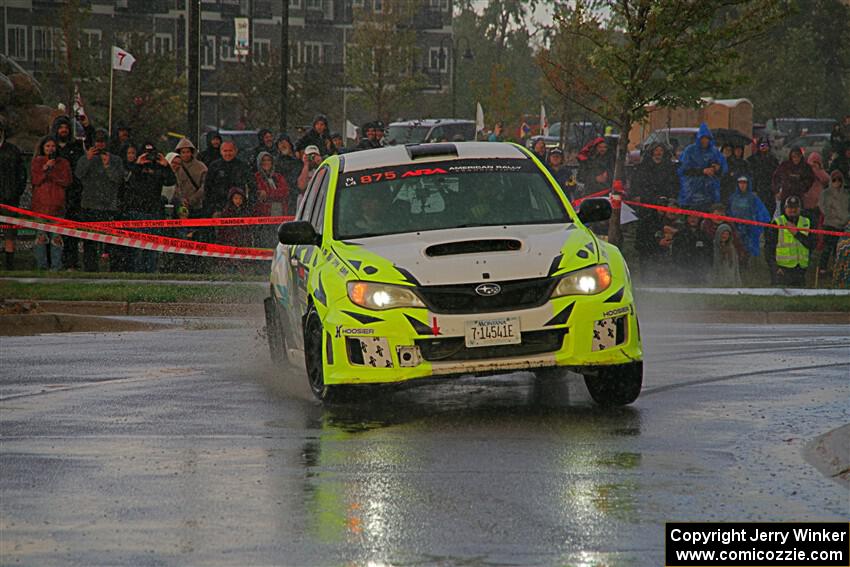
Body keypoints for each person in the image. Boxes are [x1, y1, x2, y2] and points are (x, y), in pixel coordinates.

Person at [75, 129, 124, 272]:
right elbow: (78, 175)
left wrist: (108, 166)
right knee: (89, 241)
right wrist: (87, 159)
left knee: (111, 241)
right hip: (90, 204)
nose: (100, 144)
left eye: (103, 141)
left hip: (109, 206)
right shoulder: (86, 157)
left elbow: (118, 180)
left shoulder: (116, 159)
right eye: (98, 141)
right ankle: (90, 268)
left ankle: (113, 268)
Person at [121, 142, 175, 272]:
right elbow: (130, 183)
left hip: (154, 211)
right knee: (137, 246)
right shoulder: (135, 167)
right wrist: (138, 165)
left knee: (152, 246)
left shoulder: (159, 168)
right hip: (137, 211)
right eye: (146, 153)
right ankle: (136, 272)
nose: (149, 157)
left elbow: (171, 181)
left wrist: (166, 166)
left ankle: (150, 272)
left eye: (151, 154)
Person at [30, 136, 72, 270]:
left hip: (57, 206)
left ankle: (56, 266)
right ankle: (41, 266)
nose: (50, 149)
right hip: (40, 206)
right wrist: (44, 168)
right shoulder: (37, 162)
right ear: (43, 148)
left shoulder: (63, 163)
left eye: (52, 146)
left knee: (57, 238)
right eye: (47, 146)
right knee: (41, 237)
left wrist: (52, 172)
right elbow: (35, 180)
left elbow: (66, 181)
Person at [51, 115, 88, 269]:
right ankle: (54, 262)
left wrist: (87, 126)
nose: (64, 130)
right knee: (53, 230)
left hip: (74, 194)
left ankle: (71, 262)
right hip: (55, 193)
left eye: (66, 127)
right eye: (61, 127)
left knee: (71, 231)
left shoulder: (76, 147)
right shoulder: (50, 146)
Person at [765, 196, 813, 287]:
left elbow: (811, 244)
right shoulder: (777, 223)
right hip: (782, 271)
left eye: (795, 207)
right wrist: (775, 268)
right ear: (785, 208)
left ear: (800, 208)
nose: (793, 210)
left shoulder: (806, 222)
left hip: (800, 270)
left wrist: (796, 233)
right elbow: (768, 248)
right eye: (790, 207)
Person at [677, 123, 727, 210]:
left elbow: (723, 169)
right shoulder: (690, 151)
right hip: (691, 193)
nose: (705, 141)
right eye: (702, 138)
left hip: (710, 193)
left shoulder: (714, 152)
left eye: (707, 138)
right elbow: (683, 170)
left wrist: (716, 168)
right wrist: (702, 171)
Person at [0, 117, 27, 270]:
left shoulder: (12, 151)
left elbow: (22, 174)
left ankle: (10, 265)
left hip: (10, 199)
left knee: (9, 233)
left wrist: (15, 192)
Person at [727, 175, 770, 262]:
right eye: (740, 183)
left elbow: (762, 212)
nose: (742, 185)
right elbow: (728, 212)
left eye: (744, 183)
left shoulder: (753, 198)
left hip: (750, 229)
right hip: (736, 228)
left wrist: (757, 226)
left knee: (749, 251)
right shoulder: (733, 197)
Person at [205, 141, 253, 217]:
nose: (228, 153)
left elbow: (252, 185)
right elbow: (207, 189)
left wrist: (249, 206)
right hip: (219, 207)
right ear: (221, 152)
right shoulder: (214, 166)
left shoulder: (243, 166)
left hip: (238, 207)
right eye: (225, 151)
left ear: (235, 151)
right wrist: (212, 208)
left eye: (230, 150)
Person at [254, 151, 290, 247]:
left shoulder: (278, 176)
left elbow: (285, 192)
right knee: (266, 243)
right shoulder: (256, 177)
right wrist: (276, 194)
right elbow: (260, 195)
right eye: (263, 160)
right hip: (264, 217)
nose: (266, 163)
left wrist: (268, 194)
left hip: (280, 215)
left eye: (268, 160)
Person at [818, 170, 849, 277]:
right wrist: (832, 214)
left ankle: (837, 269)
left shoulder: (846, 195)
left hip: (842, 225)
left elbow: (847, 210)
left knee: (838, 249)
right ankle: (822, 269)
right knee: (827, 248)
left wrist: (844, 218)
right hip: (829, 224)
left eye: (839, 180)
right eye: (834, 180)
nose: (837, 182)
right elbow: (822, 207)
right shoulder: (825, 193)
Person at [771, 147, 814, 215]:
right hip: (786, 194)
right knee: (785, 218)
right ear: (791, 157)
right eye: (794, 156)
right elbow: (776, 177)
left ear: (801, 156)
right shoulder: (784, 166)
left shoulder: (805, 167)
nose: (796, 159)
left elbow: (810, 179)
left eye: (798, 156)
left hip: (799, 195)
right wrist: (777, 191)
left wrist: (803, 187)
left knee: (798, 216)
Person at [672, 213, 713, 284]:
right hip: (683, 271)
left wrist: (706, 267)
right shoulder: (680, 234)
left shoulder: (704, 235)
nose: (693, 219)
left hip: (700, 271)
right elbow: (675, 253)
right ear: (687, 219)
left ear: (699, 219)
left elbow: (709, 253)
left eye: (695, 217)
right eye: (690, 217)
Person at [173, 137, 207, 216]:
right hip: (180, 204)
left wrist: (192, 200)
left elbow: (204, 186)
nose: (186, 154)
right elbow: (175, 186)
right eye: (183, 152)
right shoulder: (176, 166)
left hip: (197, 205)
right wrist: (181, 199)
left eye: (188, 152)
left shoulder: (201, 167)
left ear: (192, 152)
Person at [747, 136, 779, 208]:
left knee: (770, 208)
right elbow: (751, 175)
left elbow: (777, 175)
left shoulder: (773, 160)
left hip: (769, 189)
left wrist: (776, 189)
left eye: (766, 145)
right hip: (757, 189)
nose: (764, 147)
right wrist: (753, 188)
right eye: (762, 145)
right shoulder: (752, 160)